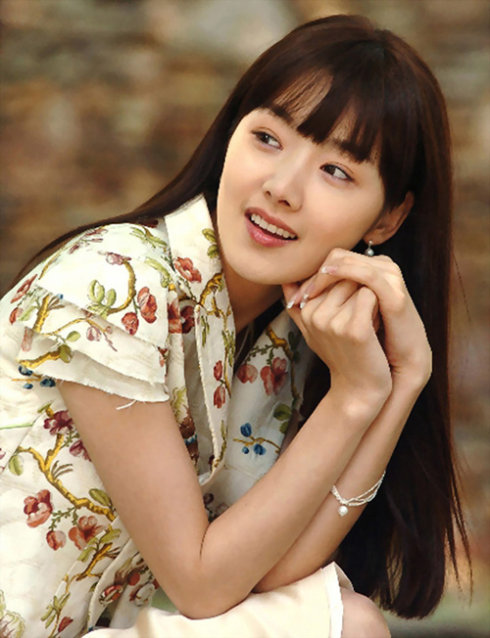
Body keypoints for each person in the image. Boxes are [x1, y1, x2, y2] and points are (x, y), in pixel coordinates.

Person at [0, 14, 470, 638]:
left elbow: (266, 576)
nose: (282, 188)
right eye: (268, 138)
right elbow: (201, 584)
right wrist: (354, 398)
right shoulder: (115, 284)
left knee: (343, 621)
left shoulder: (285, 346)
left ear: (388, 218)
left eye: (336, 171)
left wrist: (401, 381)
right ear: (230, 135)